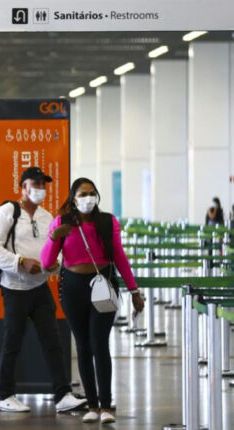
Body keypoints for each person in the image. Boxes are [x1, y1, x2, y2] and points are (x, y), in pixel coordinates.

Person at [41, 177, 145, 424]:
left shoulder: (108, 222)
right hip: (73, 287)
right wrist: (54, 237)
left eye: (91, 193)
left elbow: (119, 256)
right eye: (82, 194)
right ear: (73, 199)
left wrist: (134, 291)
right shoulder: (62, 222)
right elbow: (47, 262)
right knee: (83, 345)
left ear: (97, 196)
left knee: (100, 344)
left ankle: (106, 405)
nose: (87, 198)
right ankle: (92, 405)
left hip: (104, 284)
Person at [0, 167, 86, 414]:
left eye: (43, 184)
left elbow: (56, 248)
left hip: (40, 288)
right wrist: (20, 262)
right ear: (23, 186)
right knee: (13, 341)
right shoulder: (7, 212)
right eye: (35, 183)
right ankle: (5, 395)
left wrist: (55, 265)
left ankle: (62, 394)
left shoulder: (46, 216)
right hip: (15, 288)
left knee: (52, 340)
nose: (40, 188)